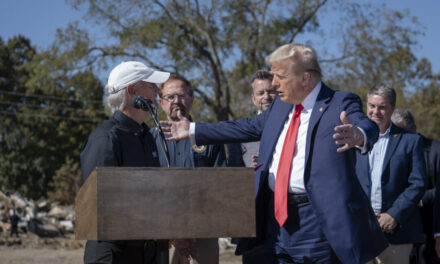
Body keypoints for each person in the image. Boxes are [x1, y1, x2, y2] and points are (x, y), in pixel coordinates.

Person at [161, 43, 388, 263]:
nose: (274, 84)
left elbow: (366, 124)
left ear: (305, 78)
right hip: (275, 221)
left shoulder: (339, 102)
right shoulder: (280, 106)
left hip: (316, 221)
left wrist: (359, 134)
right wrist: (191, 129)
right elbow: (245, 127)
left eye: (280, 77)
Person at [80, 61, 170, 264]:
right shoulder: (106, 139)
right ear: (131, 91)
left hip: (147, 253)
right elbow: (99, 206)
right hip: (113, 255)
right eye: (151, 85)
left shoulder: (147, 136)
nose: (157, 91)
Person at [151, 74, 226, 264]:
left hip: (202, 232)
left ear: (191, 98)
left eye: (182, 95)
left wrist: (194, 228)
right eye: (170, 97)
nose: (177, 101)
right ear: (161, 102)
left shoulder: (208, 137)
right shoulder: (148, 140)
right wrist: (172, 233)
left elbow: (220, 185)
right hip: (162, 234)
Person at [355, 85, 426, 264]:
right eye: (371, 106)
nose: (375, 111)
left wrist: (393, 215)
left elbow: (417, 183)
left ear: (392, 109)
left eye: (382, 107)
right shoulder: (354, 138)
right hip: (361, 230)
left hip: (397, 233)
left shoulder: (410, 141)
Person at [391, 108, 440, 264]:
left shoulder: (436, 150)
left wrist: (415, 199)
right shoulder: (389, 150)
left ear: (414, 129)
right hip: (398, 235)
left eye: (402, 131)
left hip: (428, 233)